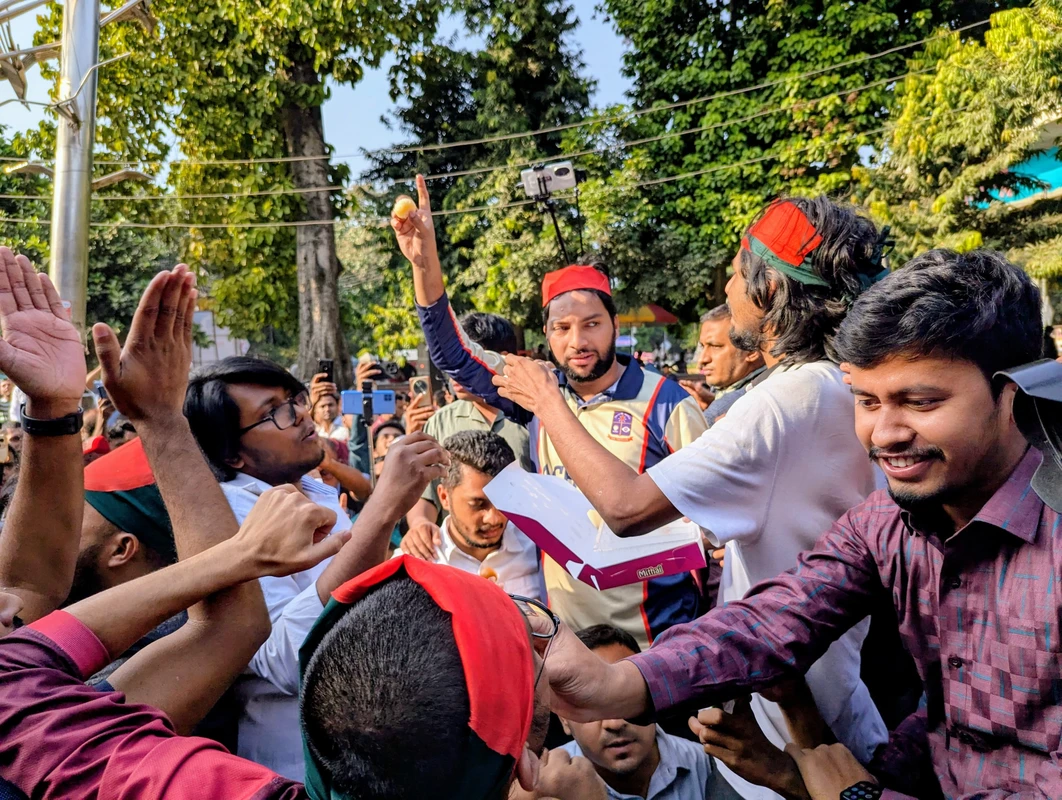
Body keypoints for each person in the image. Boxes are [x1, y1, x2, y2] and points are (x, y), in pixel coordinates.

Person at [540, 248, 1059, 800]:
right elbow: (774, 619)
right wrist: (617, 684)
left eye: (920, 401)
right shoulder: (889, 521)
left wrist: (850, 795)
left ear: (1012, 396)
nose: (885, 434)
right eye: (866, 401)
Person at [496, 196, 891, 798]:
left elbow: (627, 508)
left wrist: (544, 398)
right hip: (808, 693)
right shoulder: (835, 385)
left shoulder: (779, 405)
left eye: (737, 269)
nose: (727, 283)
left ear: (769, 289)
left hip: (794, 719)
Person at [392, 175, 709, 651]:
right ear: (547, 332)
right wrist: (425, 263)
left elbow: (706, 522)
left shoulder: (668, 403)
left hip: (658, 638)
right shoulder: (537, 391)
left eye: (592, 325)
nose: (578, 342)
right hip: (567, 641)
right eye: (562, 328)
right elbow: (454, 354)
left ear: (615, 325)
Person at [184, 355, 450, 779]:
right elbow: (284, 659)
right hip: (302, 763)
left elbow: (361, 593)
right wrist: (380, 511)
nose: (304, 415)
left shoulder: (316, 491)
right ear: (233, 454)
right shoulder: (225, 514)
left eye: (296, 400)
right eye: (277, 413)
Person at [558, 624, 743, 800]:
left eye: (625, 697)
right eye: (593, 706)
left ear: (654, 696)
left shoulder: (709, 764)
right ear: (564, 718)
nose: (615, 723)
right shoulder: (542, 787)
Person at [403, 310, 533, 551]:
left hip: (527, 557)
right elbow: (425, 492)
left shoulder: (534, 415)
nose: (454, 372)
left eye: (465, 359)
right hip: (460, 558)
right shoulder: (440, 421)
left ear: (501, 359)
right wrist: (420, 524)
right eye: (450, 361)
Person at [397, 431, 546, 602]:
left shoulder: (539, 548)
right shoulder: (414, 566)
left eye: (504, 501)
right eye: (478, 504)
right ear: (445, 497)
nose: (494, 518)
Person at [682, 305, 766, 426]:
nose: (702, 359)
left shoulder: (737, 406)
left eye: (715, 346)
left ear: (752, 350)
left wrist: (716, 409)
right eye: (702, 346)